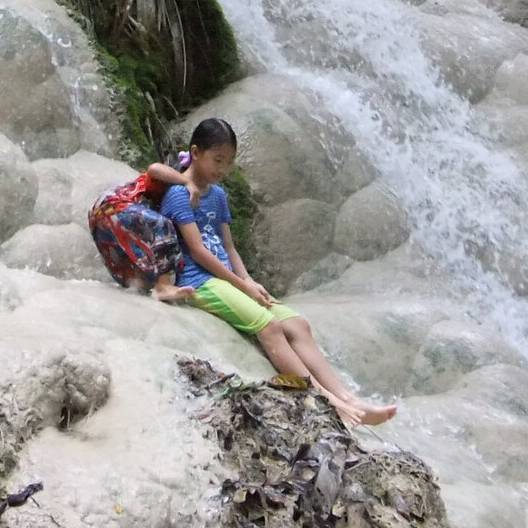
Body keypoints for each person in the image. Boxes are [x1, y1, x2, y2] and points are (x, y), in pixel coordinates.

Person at [158, 119, 397, 429]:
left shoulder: (217, 195)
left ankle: (348, 397)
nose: (223, 168)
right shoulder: (179, 194)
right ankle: (325, 401)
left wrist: (249, 280)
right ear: (195, 152)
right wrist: (242, 286)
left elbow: (228, 247)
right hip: (198, 281)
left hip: (229, 278)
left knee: (297, 323)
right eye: (217, 160)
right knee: (269, 327)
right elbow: (199, 251)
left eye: (229, 162)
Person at [88, 142, 196, 297]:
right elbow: (154, 168)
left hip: (102, 215)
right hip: (116, 206)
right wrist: (186, 181)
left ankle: (143, 288)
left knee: (134, 272)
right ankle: (162, 287)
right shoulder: (168, 180)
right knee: (163, 226)